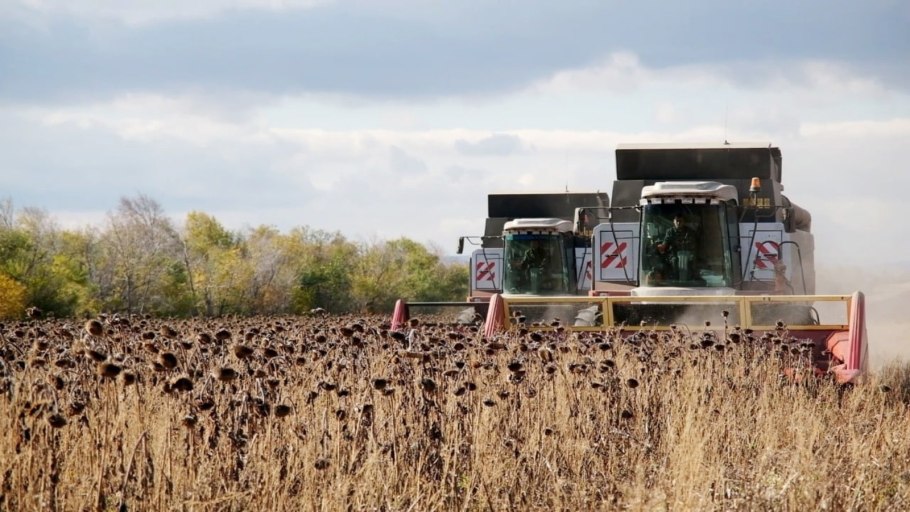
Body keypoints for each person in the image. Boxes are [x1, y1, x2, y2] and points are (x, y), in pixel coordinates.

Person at [657, 214, 698, 280]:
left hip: (688, 253)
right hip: (674, 254)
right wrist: (662, 246)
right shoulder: (670, 232)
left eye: (681, 221)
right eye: (677, 221)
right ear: (674, 221)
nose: (679, 223)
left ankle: (692, 279)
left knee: (693, 262)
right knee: (674, 261)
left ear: (684, 222)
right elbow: (666, 241)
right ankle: (675, 279)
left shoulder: (690, 232)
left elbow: (693, 244)